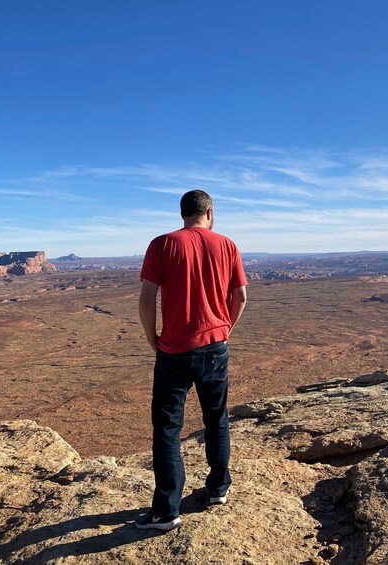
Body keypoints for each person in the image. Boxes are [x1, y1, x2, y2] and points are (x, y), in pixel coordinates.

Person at [135, 189, 247, 531]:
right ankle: (218, 489)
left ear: (182, 212)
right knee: (217, 418)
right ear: (209, 212)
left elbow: (146, 298)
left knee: (168, 428)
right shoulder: (227, 245)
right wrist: (224, 328)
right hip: (216, 346)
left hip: (174, 350)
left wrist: (152, 337)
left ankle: (166, 511)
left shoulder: (162, 244)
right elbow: (240, 296)